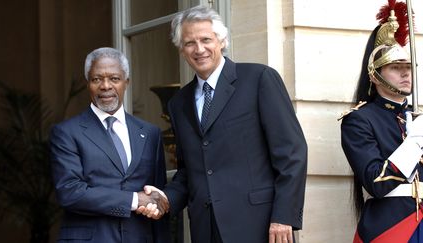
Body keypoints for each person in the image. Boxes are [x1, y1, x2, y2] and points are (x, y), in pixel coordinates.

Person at [139, 5, 308, 243]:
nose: (199, 49)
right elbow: (189, 171)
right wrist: (166, 199)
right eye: (189, 43)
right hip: (205, 229)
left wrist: (284, 216)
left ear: (221, 41)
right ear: (181, 50)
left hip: (260, 226)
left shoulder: (259, 79)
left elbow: (292, 153)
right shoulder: (178, 103)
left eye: (206, 39)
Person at [49, 47, 170, 243]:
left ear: (126, 82)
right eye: (97, 79)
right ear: (88, 83)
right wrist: (134, 199)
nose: (105, 86)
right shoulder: (66, 133)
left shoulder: (150, 133)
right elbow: (70, 192)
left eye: (114, 78)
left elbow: (156, 199)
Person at [340, 1, 423, 242]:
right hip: (393, 224)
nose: (406, 73)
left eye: (408, 67)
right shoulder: (359, 120)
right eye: (396, 67)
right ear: (375, 75)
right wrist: (414, 142)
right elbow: (375, 181)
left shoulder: (416, 118)